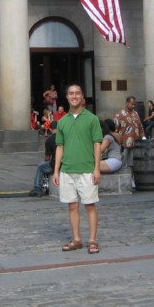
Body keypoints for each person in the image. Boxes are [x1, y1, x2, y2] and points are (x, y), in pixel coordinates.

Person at [53, 83, 103, 254]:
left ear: (82, 97)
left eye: (77, 93)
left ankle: (93, 240)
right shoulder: (62, 122)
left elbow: (97, 144)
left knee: (90, 205)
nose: (74, 96)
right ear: (66, 97)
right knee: (72, 206)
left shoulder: (92, 119)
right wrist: (56, 170)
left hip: (87, 169)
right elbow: (60, 146)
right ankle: (77, 239)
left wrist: (97, 168)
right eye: (71, 94)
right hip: (67, 170)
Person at [114, 96, 145, 172]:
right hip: (124, 143)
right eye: (132, 104)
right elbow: (115, 128)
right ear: (127, 103)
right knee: (124, 162)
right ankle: (124, 178)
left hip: (135, 142)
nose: (133, 106)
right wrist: (116, 139)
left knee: (132, 163)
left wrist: (143, 136)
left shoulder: (136, 113)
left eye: (134, 104)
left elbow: (140, 126)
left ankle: (131, 179)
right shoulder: (120, 114)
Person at [29, 121, 57, 196]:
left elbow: (47, 158)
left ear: (50, 129)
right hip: (66, 162)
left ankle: (37, 189)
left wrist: (46, 158)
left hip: (55, 164)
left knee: (40, 167)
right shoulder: (65, 136)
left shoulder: (49, 140)